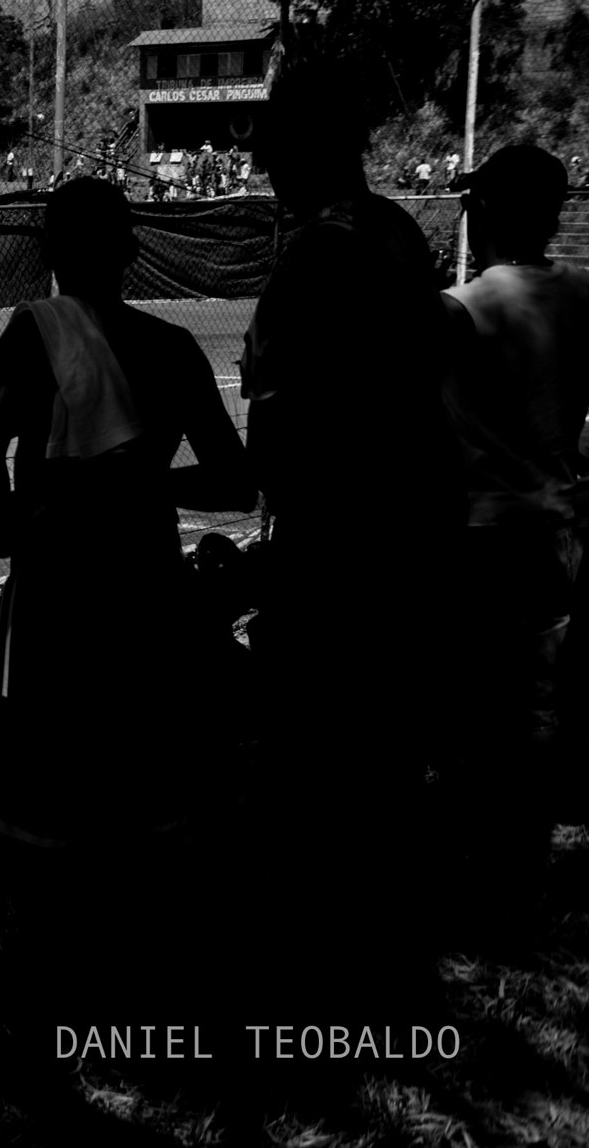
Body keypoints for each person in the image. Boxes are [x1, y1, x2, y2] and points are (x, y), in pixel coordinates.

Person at [240, 52, 462, 1012]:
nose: (270, 169)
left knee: (318, 737)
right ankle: (382, 937)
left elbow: (286, 411)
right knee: (383, 737)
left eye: (279, 149)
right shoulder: (398, 233)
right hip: (410, 515)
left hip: (341, 527)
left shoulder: (322, 250)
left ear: (314, 149)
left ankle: (327, 952)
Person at [0, 179, 255, 844]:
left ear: (50, 247)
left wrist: (12, 533)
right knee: (142, 783)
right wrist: (144, 487)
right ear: (129, 249)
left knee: (45, 792)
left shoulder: (34, 335)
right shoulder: (173, 347)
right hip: (145, 583)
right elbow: (235, 480)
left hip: (55, 589)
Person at [438, 145, 589, 941]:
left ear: (490, 211)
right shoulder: (581, 297)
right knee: (534, 706)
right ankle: (520, 866)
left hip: (480, 532)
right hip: (556, 526)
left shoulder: (457, 309)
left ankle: (481, 868)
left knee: (472, 703)